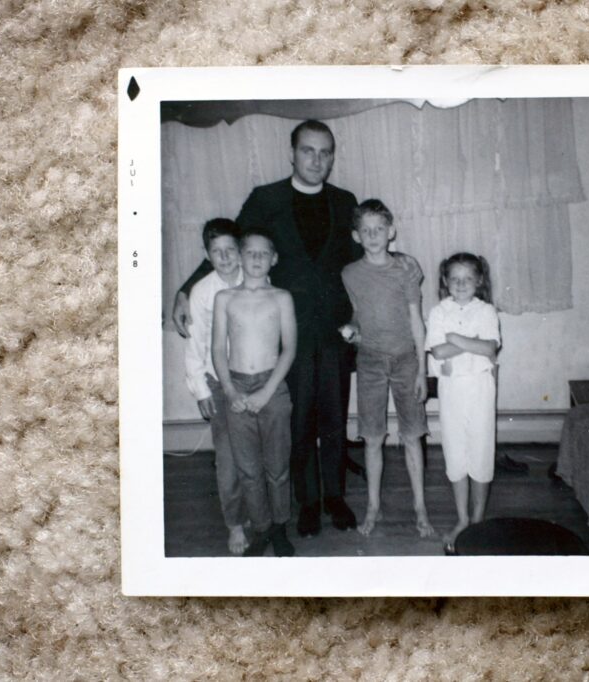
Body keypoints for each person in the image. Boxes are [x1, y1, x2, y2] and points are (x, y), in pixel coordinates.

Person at [172, 120, 361, 538]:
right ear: (291, 153)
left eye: (325, 151)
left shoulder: (345, 200)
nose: (317, 159)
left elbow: (358, 263)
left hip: (333, 332)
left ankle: (335, 497)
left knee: (333, 420)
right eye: (308, 150)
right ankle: (308, 502)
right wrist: (186, 289)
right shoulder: (266, 198)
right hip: (284, 334)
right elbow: (229, 248)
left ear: (332, 156)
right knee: (296, 425)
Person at [340, 200, 434, 538]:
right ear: (356, 235)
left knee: (412, 437)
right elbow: (356, 312)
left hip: (406, 360)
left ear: (391, 231)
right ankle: (373, 507)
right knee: (373, 438)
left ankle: (420, 508)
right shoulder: (349, 273)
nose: (373, 235)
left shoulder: (407, 268)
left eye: (379, 228)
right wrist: (351, 329)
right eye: (366, 230)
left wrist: (422, 370)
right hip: (369, 362)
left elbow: (416, 320)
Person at [212, 230, 297, 557]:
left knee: (277, 467)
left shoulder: (281, 298)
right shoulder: (225, 299)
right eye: (251, 253)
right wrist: (230, 390)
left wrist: (266, 392)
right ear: (240, 257)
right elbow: (218, 349)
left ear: (274, 259)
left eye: (264, 254)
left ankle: (279, 527)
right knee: (248, 468)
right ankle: (260, 529)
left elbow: (289, 349)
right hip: (236, 385)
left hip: (272, 387)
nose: (257, 259)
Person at [425, 252, 502, 551]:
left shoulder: (486, 311)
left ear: (479, 281)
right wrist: (472, 342)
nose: (460, 284)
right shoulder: (438, 312)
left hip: (481, 388)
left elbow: (490, 348)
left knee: (481, 450)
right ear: (445, 281)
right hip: (451, 389)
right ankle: (462, 519)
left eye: (467, 278)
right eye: (454, 279)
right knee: (455, 453)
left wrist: (455, 337)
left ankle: (478, 518)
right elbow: (438, 353)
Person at [183, 218, 247, 554]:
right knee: (228, 459)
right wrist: (201, 390)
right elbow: (194, 346)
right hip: (218, 382)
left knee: (255, 454)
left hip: (254, 378)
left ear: (240, 251)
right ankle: (234, 525)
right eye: (216, 252)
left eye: (230, 250)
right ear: (207, 255)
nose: (224, 258)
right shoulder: (201, 292)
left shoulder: (255, 279)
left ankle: (257, 513)